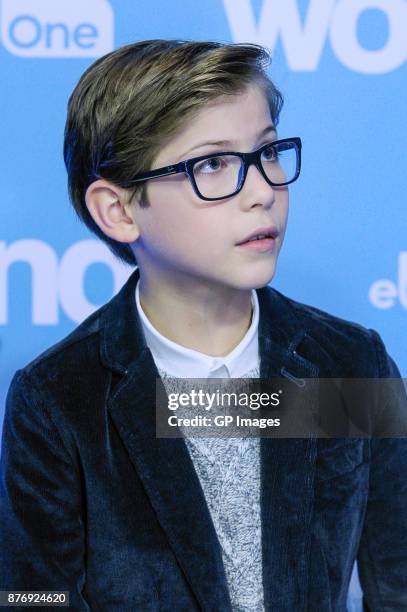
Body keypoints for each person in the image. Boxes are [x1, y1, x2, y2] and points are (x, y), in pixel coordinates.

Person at [0, 39, 406, 611]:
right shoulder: (61, 398)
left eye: (268, 153)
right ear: (118, 210)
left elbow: (398, 581)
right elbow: (31, 597)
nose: (264, 192)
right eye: (212, 165)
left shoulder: (351, 362)